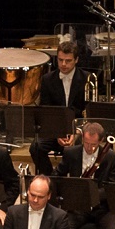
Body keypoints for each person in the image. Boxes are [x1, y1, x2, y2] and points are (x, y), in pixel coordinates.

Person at [55, 121, 115, 229]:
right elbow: (57, 176)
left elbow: (112, 187)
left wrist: (92, 195)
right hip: (78, 206)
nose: (89, 148)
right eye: (86, 143)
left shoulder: (111, 157)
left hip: (102, 207)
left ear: (101, 141)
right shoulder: (70, 153)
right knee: (62, 228)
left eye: (93, 144)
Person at [30, 41, 88, 175]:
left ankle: (75, 182)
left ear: (76, 60)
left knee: (79, 148)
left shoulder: (87, 78)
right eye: (60, 60)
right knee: (36, 147)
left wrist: (77, 131)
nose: (63, 64)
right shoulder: (47, 79)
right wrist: (57, 133)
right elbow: (47, 111)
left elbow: (88, 111)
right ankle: (51, 179)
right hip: (55, 129)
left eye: (68, 61)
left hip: (78, 129)